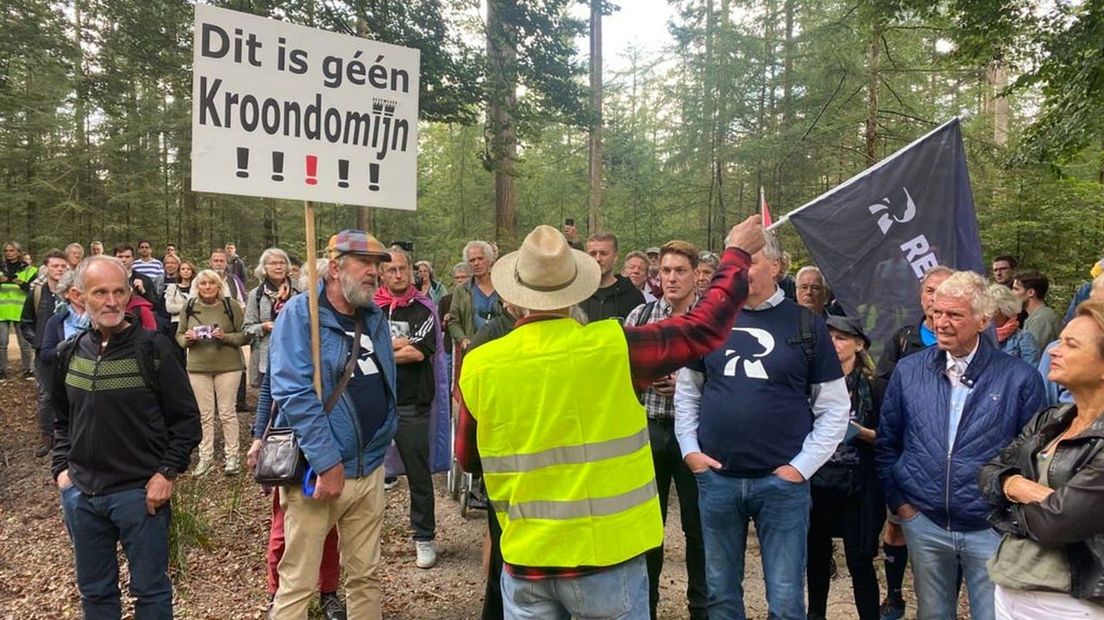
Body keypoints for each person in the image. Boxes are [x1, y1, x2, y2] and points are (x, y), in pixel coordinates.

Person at [456, 216, 765, 619]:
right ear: (574, 293)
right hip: (606, 560)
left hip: (525, 560)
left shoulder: (480, 364)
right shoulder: (613, 347)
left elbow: (467, 459)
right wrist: (737, 254)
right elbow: (702, 329)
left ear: (515, 297)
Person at [674, 231, 850, 620]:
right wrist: (691, 451)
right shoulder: (709, 320)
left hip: (781, 486)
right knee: (720, 594)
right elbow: (688, 392)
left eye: (749, 261)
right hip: (717, 479)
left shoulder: (806, 325)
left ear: (775, 266)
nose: (739, 270)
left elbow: (835, 408)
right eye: (733, 261)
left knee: (786, 599)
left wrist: (799, 469)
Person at [875, 270, 1047, 620]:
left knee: (992, 614)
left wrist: (1008, 518)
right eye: (937, 312)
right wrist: (903, 506)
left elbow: (1033, 460)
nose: (941, 322)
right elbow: (887, 444)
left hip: (990, 528)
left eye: (954, 315)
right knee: (933, 614)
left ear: (983, 319)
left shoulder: (1019, 379)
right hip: (925, 523)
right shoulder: (909, 371)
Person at [51, 255, 201, 619]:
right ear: (79, 296)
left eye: (119, 291)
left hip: (139, 495)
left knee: (151, 593)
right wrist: (61, 469)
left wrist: (166, 473)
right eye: (100, 292)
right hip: (83, 496)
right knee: (95, 594)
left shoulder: (154, 349)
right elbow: (61, 419)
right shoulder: (69, 353)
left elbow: (186, 420)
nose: (112, 301)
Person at [267, 230, 398, 619]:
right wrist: (327, 462)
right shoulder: (300, 314)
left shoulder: (372, 316)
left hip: (370, 466)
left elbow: (386, 379)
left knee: (366, 576)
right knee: (298, 583)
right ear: (336, 267)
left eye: (378, 265)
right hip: (320, 473)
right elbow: (293, 392)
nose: (376, 273)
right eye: (366, 264)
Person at [980, 299, 1104, 618]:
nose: (1052, 350)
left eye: (1070, 344)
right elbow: (989, 474)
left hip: (1068, 602)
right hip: (1009, 584)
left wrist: (1010, 490)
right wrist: (1031, 492)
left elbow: (1057, 525)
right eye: (1059, 340)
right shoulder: (1051, 419)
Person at [625, 240, 709, 620]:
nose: (671, 278)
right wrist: (646, 378)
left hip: (695, 435)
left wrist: (687, 386)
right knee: (647, 528)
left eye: (680, 271)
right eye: (666, 271)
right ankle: (647, 606)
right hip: (649, 430)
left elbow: (727, 382)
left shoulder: (711, 320)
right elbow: (620, 374)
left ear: (695, 276)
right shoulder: (640, 318)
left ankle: (701, 607)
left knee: (698, 527)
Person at [872, 264, 953, 619]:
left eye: (942, 290)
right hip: (908, 448)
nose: (933, 298)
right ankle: (894, 595)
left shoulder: (965, 338)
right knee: (898, 524)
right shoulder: (905, 338)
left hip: (950, 454)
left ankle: (938, 602)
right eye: (928, 291)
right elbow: (882, 386)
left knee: (942, 533)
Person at [248, 371, 346, 620]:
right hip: (289, 444)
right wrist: (259, 438)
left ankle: (328, 593)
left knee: (329, 528)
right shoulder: (283, 337)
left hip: (328, 441)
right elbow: (269, 388)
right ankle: (276, 594)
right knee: (282, 528)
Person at [807, 316, 885, 620]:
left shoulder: (875, 386)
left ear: (859, 344)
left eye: (841, 338)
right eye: (829, 337)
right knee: (816, 559)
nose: (834, 344)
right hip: (818, 482)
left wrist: (861, 432)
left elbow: (890, 437)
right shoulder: (811, 381)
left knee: (860, 560)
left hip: (859, 485)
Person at [375, 247, 442, 568]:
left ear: (412, 271)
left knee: (418, 475)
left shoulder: (422, 309)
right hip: (373, 403)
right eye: (391, 270)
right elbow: (357, 347)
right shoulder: (371, 309)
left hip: (411, 404)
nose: (398, 275)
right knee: (367, 477)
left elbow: (419, 353)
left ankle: (424, 537)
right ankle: (366, 538)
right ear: (382, 274)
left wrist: (380, 350)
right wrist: (399, 344)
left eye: (403, 269)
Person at [177, 269, 249, 476]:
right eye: (203, 284)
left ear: (219, 286)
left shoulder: (230, 306)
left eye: (211, 283)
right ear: (196, 287)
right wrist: (188, 339)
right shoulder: (189, 307)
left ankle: (232, 457)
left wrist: (224, 337)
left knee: (227, 413)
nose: (207, 287)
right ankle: (205, 457)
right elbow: (179, 336)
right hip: (198, 368)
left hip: (228, 367)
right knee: (204, 415)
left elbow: (245, 336)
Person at [20, 249, 68, 457]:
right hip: (45, 354)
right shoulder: (38, 293)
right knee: (47, 395)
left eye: (62, 266)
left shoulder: (73, 291)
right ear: (46, 267)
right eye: (55, 266)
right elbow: (26, 322)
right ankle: (48, 436)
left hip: (71, 351)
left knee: (72, 393)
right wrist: (36, 342)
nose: (59, 269)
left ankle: (70, 434)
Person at [244, 248, 297, 388]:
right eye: (273, 263)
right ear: (264, 268)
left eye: (282, 263)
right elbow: (247, 328)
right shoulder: (256, 295)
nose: (278, 267)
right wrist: (263, 327)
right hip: (268, 357)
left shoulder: (300, 291)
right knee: (269, 400)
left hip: (296, 354)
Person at [580, 231, 644, 323]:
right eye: (593, 254)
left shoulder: (632, 295)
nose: (598, 259)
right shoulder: (578, 295)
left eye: (603, 253)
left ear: (615, 257)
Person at [448, 240, 500, 353]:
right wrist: (462, 339)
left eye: (480, 258)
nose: (476, 263)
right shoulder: (461, 290)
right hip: (473, 350)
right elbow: (453, 321)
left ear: (489, 260)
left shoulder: (502, 287)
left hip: (501, 349)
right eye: (472, 260)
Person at [0, 240, 36, 379]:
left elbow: (34, 289)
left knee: (25, 343)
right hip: (2, 311)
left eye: (12, 250)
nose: (9, 253)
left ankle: (28, 369)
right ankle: (1, 370)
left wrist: (23, 284)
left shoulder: (29, 270)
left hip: (21, 310)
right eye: (6, 251)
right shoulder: (0, 267)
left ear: (19, 252)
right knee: (2, 343)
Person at [989, 283, 1040, 365]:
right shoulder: (980, 336)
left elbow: (1031, 372)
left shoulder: (1023, 338)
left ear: (1004, 310)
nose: (987, 313)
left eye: (992, 309)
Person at [1014, 269, 1063, 350]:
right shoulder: (1036, 316)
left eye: (1016, 289)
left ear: (1031, 292)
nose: (1012, 293)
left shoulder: (1042, 319)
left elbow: (1031, 355)